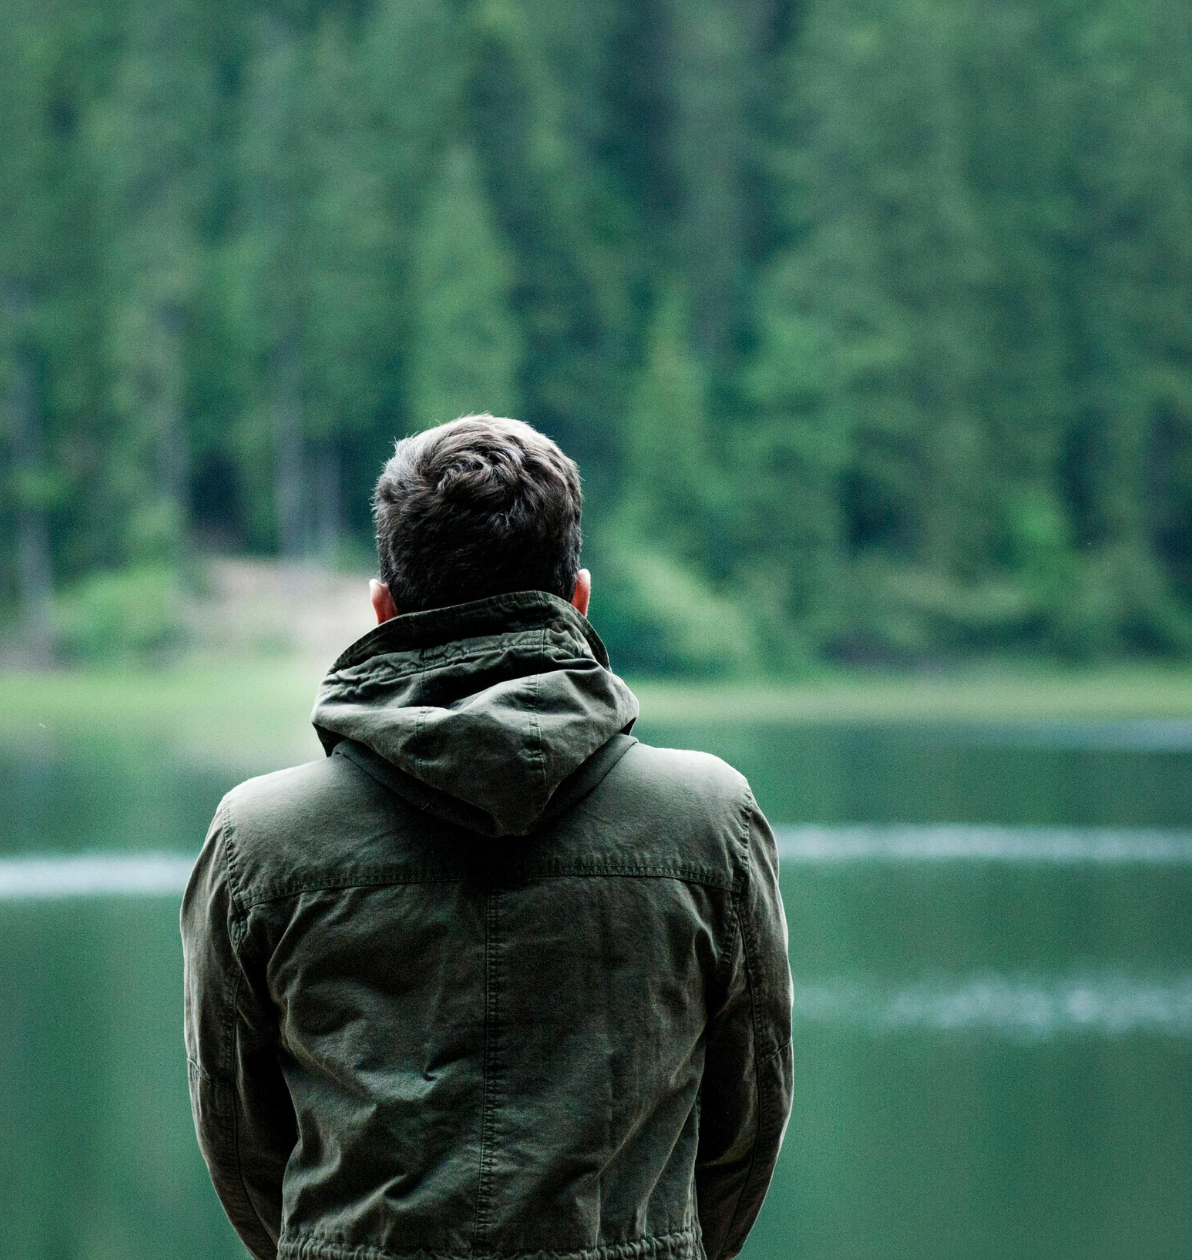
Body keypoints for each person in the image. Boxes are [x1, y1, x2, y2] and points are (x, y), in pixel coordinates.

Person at [181, 415, 792, 1260]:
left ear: (382, 608)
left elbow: (241, 1142)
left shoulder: (260, 841)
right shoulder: (709, 818)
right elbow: (746, 1126)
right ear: (578, 598)